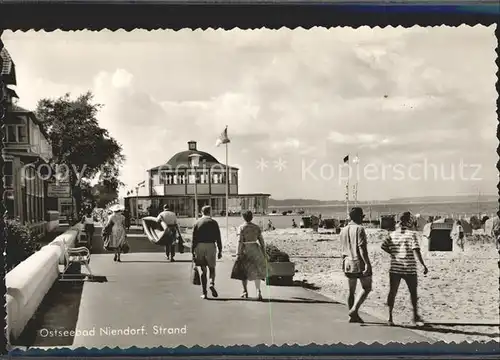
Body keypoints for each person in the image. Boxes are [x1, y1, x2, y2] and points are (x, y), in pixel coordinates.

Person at [381, 211, 428, 327]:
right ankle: (415, 316)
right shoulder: (412, 234)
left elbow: (383, 246)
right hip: (409, 267)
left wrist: (394, 253)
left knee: (392, 292)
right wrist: (423, 264)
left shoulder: (392, 234)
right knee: (413, 293)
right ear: (409, 221)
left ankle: (390, 317)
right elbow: (416, 250)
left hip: (395, 267)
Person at [340, 207, 372, 323]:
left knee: (351, 291)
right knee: (367, 287)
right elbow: (362, 248)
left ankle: (352, 317)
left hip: (347, 262)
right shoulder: (360, 229)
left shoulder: (343, 230)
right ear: (358, 217)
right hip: (359, 262)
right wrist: (368, 263)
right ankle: (354, 310)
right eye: (362, 216)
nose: (363, 219)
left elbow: (342, 249)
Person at [233, 210, 268, 300]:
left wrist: (238, 253)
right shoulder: (256, 227)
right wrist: (264, 252)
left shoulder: (241, 227)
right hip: (255, 249)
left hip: (245, 249)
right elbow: (262, 241)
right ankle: (258, 291)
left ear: (243, 217)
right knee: (256, 271)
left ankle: (245, 291)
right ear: (252, 217)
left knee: (244, 272)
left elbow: (240, 241)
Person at [192, 205, 222, 299]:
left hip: (199, 246)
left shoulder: (197, 223)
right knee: (212, 268)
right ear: (210, 212)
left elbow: (194, 238)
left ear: (201, 212)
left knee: (203, 270)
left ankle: (204, 293)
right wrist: (220, 250)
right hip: (211, 246)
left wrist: (192, 251)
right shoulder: (214, 223)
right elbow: (218, 238)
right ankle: (211, 283)